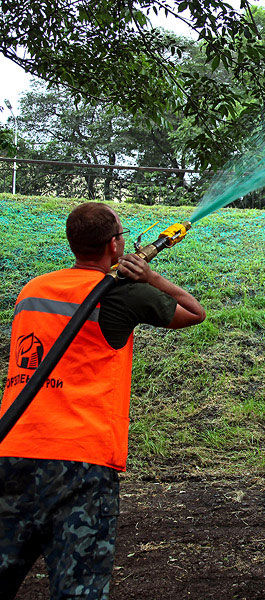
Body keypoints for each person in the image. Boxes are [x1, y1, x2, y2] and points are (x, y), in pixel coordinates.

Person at [0, 202, 205, 599]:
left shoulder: (33, 290)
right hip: (80, 462)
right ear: (114, 245)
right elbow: (194, 312)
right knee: (79, 589)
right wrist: (150, 276)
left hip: (13, 451)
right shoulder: (121, 295)